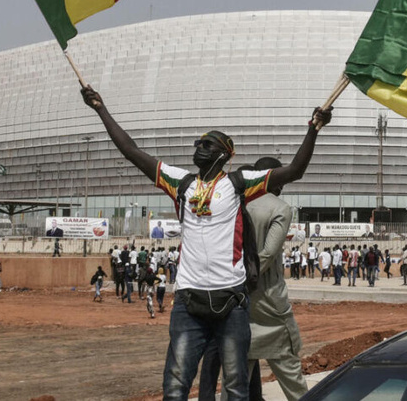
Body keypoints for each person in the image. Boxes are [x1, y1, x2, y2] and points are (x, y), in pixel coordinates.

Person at [81, 84, 332, 401]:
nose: (199, 148)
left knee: (236, 388)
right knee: (175, 387)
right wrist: (101, 109)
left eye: (207, 144)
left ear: (225, 154)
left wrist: (313, 130)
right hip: (188, 303)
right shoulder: (180, 183)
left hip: (232, 305)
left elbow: (294, 170)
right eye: (198, 143)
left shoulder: (240, 183)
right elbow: (132, 152)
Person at [200, 157, 310, 401]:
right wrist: (247, 275)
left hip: (237, 301)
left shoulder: (236, 204)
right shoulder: (280, 208)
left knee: (236, 377)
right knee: (291, 374)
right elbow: (269, 254)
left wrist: (232, 279)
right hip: (271, 303)